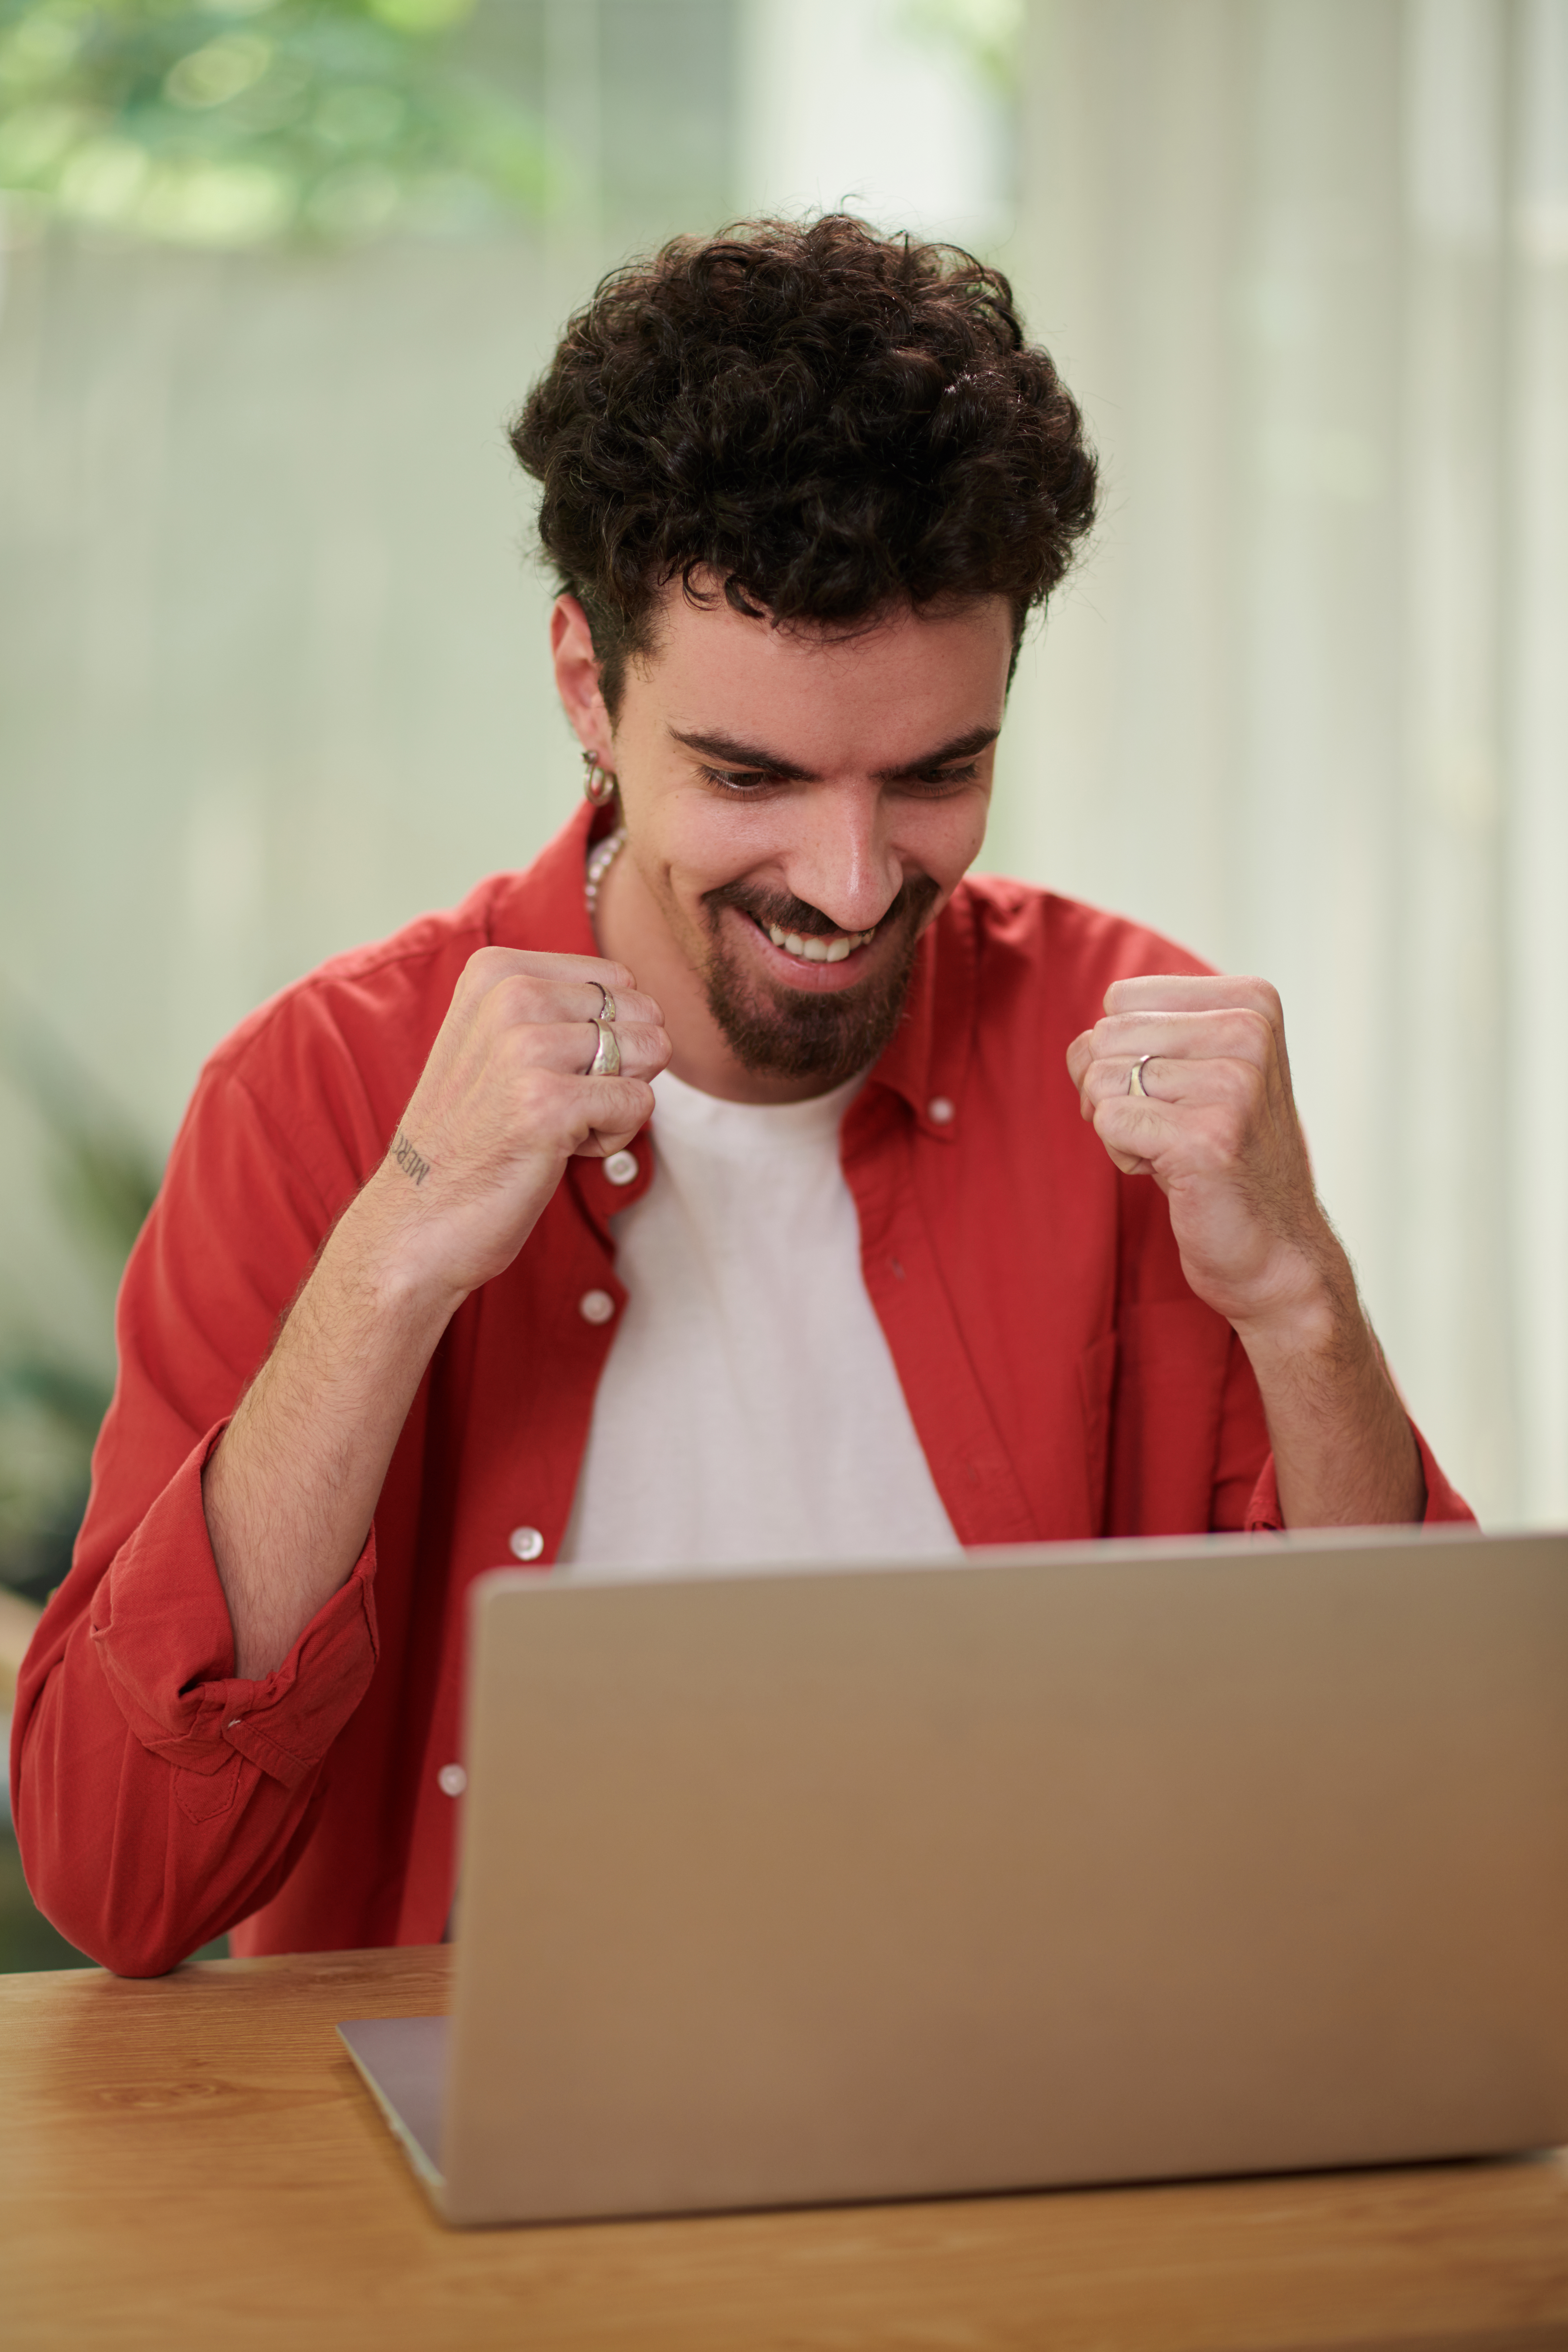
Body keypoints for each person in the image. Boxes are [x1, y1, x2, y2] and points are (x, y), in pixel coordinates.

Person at [12, 218, 1469, 1977]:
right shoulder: (324, 1090)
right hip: (466, 2209)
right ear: (587, 685)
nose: (853, 883)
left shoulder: (1129, 1053)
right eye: (749, 775)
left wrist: (1296, 1300)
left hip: (1046, 2152)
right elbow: (121, 1880)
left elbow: (1401, 1827)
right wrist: (393, 1252)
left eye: (937, 773)